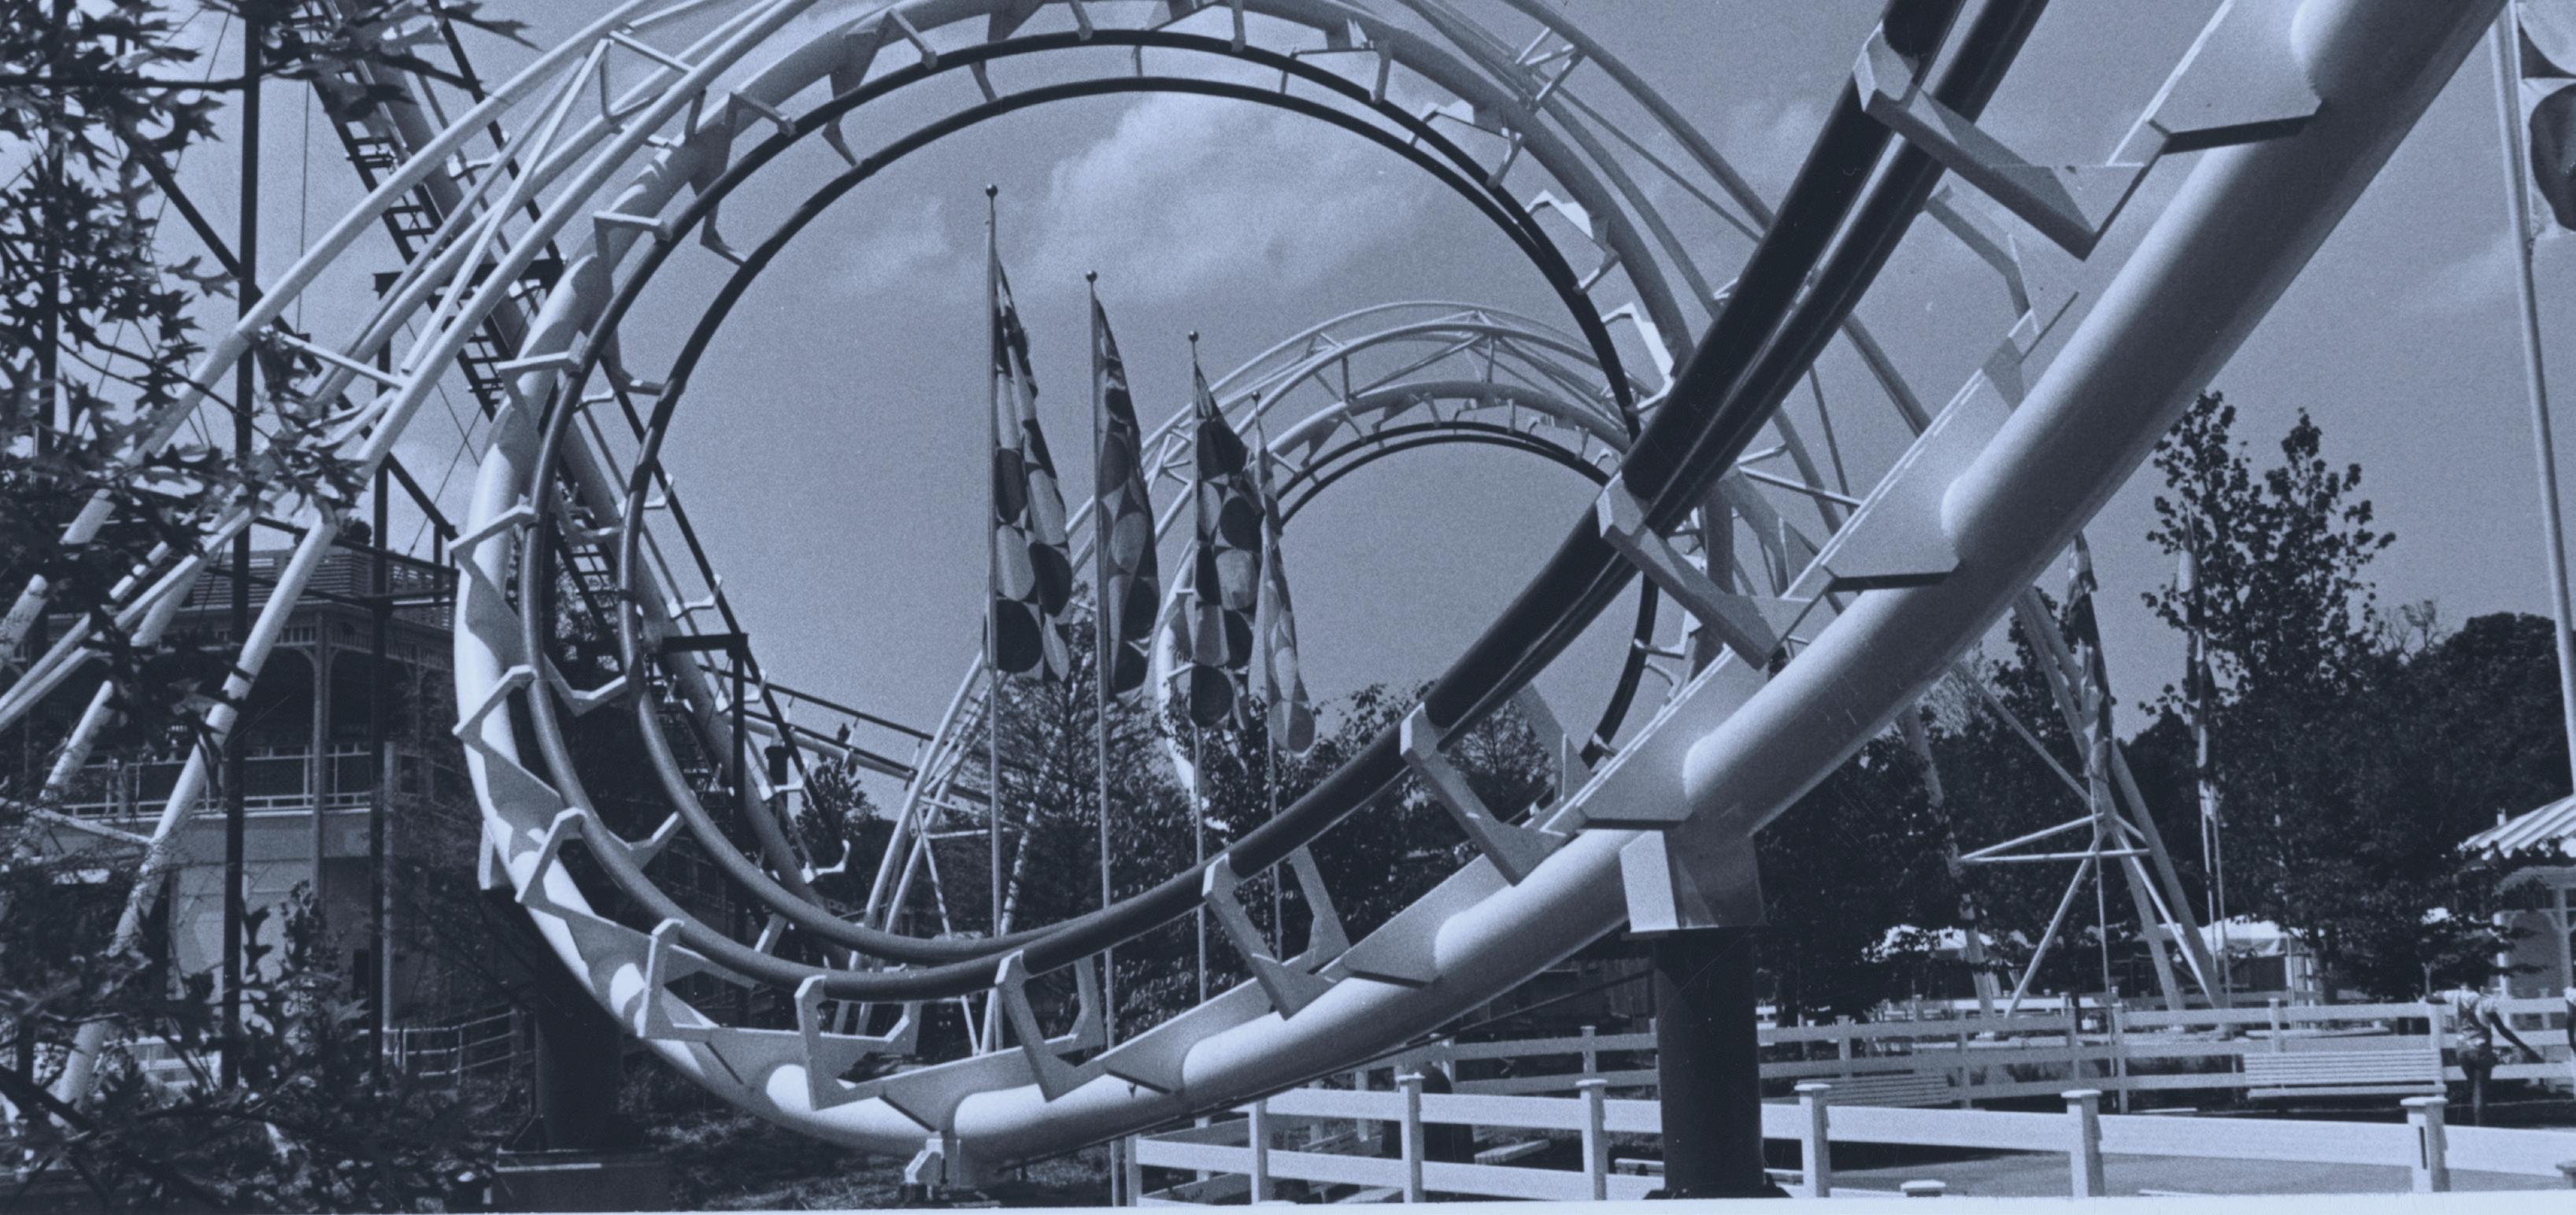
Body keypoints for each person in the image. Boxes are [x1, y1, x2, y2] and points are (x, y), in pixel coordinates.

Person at [2431, 984, 2541, 1126]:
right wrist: (2526, 1049)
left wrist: (2433, 987)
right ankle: (2480, 1127)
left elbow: (2430, 998)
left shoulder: (2455, 996)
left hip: (2462, 1049)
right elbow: (2502, 1030)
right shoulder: (2485, 1001)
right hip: (2480, 1049)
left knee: (2474, 1088)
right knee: (2480, 1090)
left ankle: (2478, 1125)